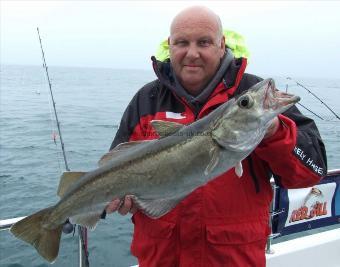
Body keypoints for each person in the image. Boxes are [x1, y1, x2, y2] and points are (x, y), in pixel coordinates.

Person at [104, 6, 327, 267]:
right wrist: (122, 198)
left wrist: (275, 132)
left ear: (222, 45)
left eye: (204, 42)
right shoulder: (146, 99)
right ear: (170, 45)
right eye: (182, 42)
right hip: (161, 258)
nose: (192, 53)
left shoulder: (254, 99)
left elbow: (312, 172)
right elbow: (116, 163)